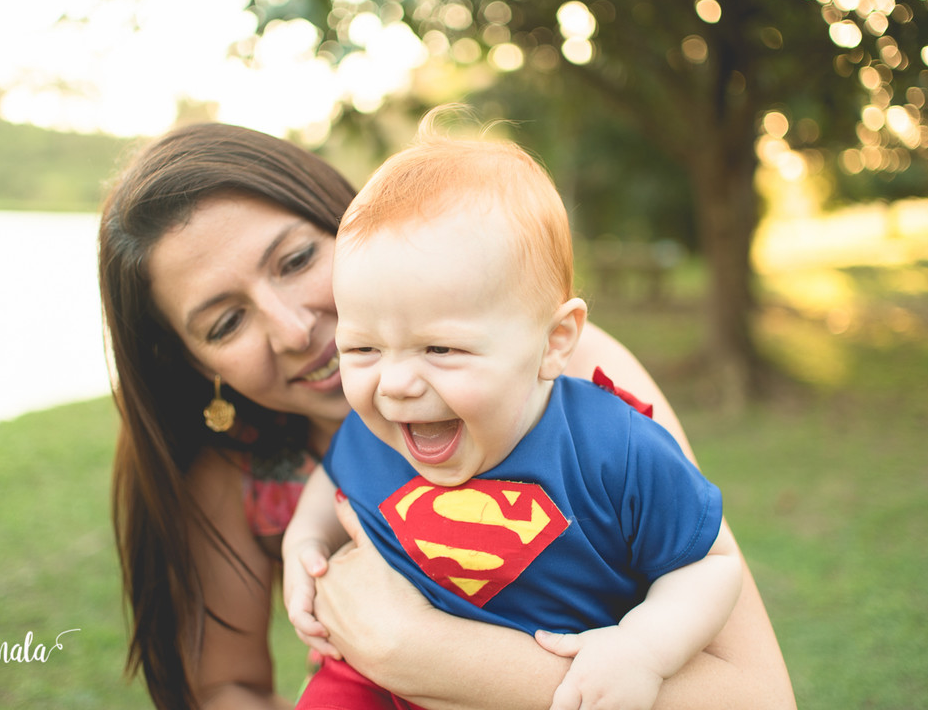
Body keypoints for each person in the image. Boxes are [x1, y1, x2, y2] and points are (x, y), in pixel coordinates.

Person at [98, 121, 796, 710]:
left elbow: (760, 696)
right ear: (196, 365)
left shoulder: (574, 385)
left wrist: (429, 654)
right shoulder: (241, 470)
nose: (291, 328)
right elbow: (225, 687)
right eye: (224, 323)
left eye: (298, 259)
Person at [282, 118, 743, 710]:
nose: (393, 384)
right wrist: (304, 536)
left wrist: (642, 649)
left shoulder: (614, 447)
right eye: (363, 349)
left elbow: (709, 565)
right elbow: (335, 477)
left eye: (440, 349)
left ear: (553, 342)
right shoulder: (379, 432)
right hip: (369, 684)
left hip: (523, 689)